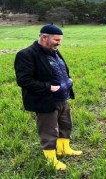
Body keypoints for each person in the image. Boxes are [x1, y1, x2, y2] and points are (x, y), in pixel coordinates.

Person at [14, 24, 82, 170]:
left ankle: (64, 149)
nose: (59, 43)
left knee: (65, 124)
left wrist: (68, 80)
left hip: (63, 97)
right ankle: (51, 160)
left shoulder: (54, 51)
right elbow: (24, 80)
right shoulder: (27, 54)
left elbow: (61, 70)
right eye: (56, 40)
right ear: (44, 37)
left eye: (60, 40)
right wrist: (49, 87)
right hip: (45, 100)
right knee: (49, 130)